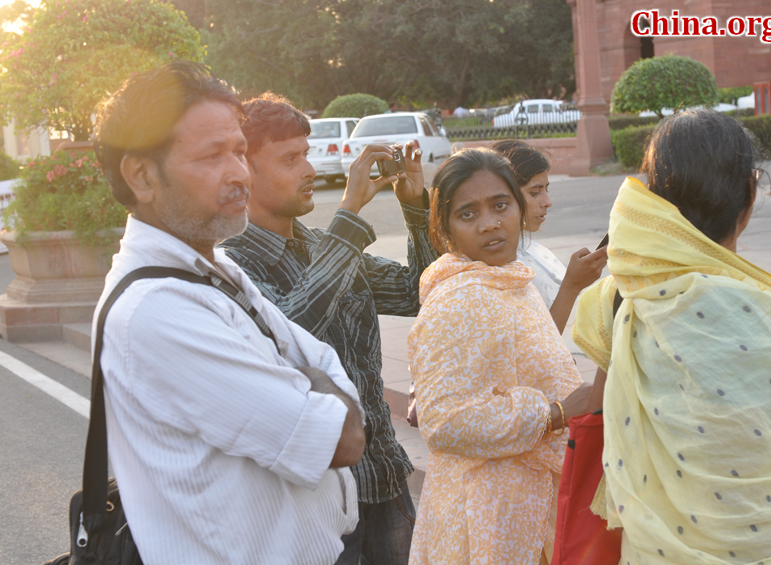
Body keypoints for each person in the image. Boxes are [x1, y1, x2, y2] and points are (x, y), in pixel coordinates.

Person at [91, 61, 365, 565]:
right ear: (142, 175)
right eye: (212, 155)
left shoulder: (218, 268)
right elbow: (340, 440)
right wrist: (309, 379)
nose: (240, 172)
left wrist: (309, 379)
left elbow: (327, 362)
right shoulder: (156, 312)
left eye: (239, 150)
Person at [572, 110, 771, 564]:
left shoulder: (619, 301)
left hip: (662, 547)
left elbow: (600, 413)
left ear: (654, 200)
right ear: (748, 199)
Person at [220, 92, 438, 565]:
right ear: (244, 170)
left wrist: (416, 207)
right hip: (316, 499)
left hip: (385, 478)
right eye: (290, 158)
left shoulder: (327, 244)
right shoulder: (233, 267)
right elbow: (292, 330)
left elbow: (422, 294)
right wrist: (351, 210)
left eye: (307, 154)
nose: (309, 170)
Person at [407, 148, 592, 565]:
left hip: (527, 501)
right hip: (485, 515)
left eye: (500, 205)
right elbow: (444, 420)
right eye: (467, 214)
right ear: (446, 229)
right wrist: (553, 414)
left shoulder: (509, 280)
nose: (490, 224)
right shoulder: (456, 299)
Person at [489, 140, 606, 333]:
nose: (548, 202)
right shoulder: (498, 263)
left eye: (546, 189)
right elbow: (539, 345)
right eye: (535, 193)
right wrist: (571, 285)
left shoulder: (525, 250)